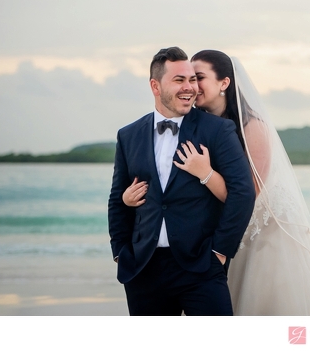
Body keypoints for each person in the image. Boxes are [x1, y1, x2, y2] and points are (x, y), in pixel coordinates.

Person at [123, 50, 310, 315]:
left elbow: (248, 194)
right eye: (188, 78)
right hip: (215, 233)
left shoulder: (252, 126)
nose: (193, 86)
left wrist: (205, 173)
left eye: (199, 77)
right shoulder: (195, 124)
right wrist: (128, 199)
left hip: (261, 233)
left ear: (224, 82)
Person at [108, 46, 256, 315]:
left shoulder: (218, 129)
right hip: (144, 269)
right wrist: (120, 251)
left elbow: (243, 193)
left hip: (202, 266)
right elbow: (117, 200)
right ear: (155, 86)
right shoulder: (128, 135)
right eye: (179, 80)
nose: (190, 87)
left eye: (192, 79)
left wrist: (220, 252)